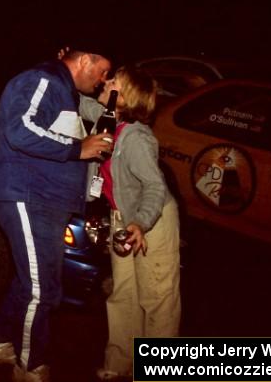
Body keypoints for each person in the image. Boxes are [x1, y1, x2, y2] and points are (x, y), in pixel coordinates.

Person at [0, 49, 114, 382]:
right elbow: (20, 128)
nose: (101, 81)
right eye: (102, 71)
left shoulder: (64, 92)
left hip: (46, 200)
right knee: (43, 289)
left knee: (32, 283)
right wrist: (77, 148)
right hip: (29, 194)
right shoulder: (43, 79)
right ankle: (31, 365)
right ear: (85, 61)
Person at [80, 66, 181, 381]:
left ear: (124, 99)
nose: (106, 81)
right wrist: (65, 67)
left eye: (114, 83)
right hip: (124, 217)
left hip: (152, 222)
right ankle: (120, 362)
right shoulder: (109, 117)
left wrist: (140, 223)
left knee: (157, 300)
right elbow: (77, 99)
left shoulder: (137, 138)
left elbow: (155, 187)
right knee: (124, 293)